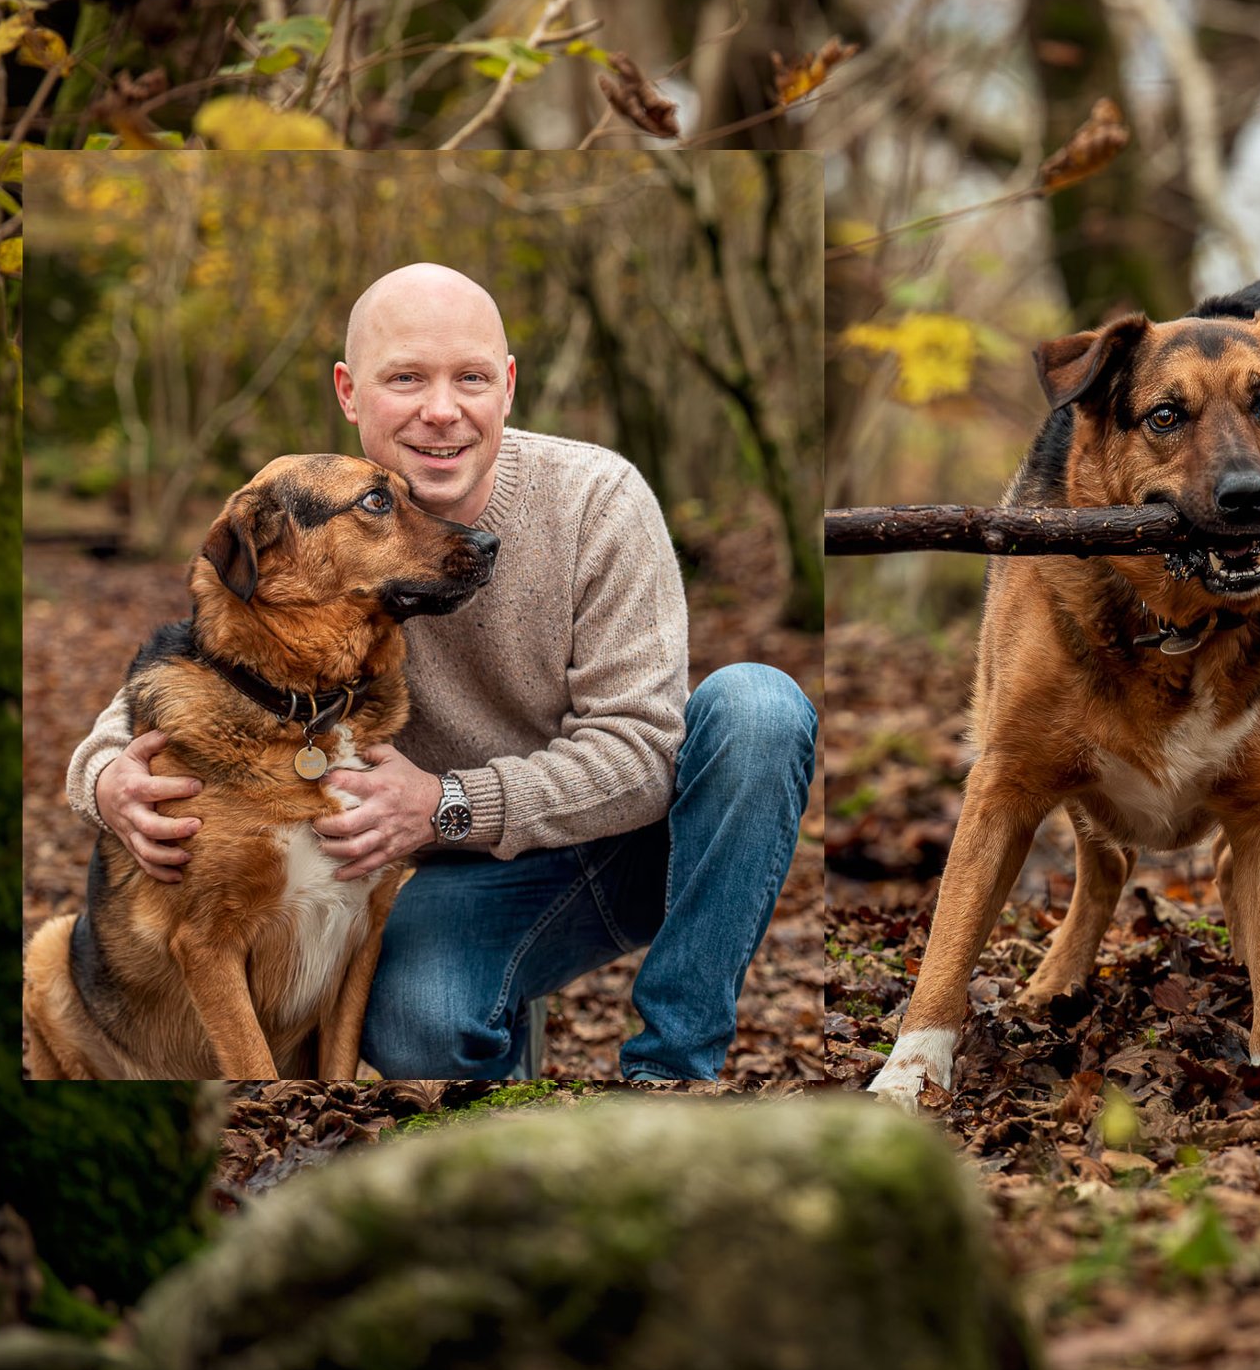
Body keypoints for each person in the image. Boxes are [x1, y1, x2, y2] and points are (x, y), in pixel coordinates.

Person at [64, 263, 819, 1081]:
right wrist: (104, 780)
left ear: (509, 386)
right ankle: (496, 1025)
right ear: (350, 394)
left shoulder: (600, 500)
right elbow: (189, 672)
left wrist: (450, 805)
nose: (442, 410)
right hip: (460, 886)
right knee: (420, 1032)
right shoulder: (314, 528)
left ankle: (674, 1071)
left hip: (626, 843)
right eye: (406, 379)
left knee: (759, 708)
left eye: (471, 378)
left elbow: (642, 749)